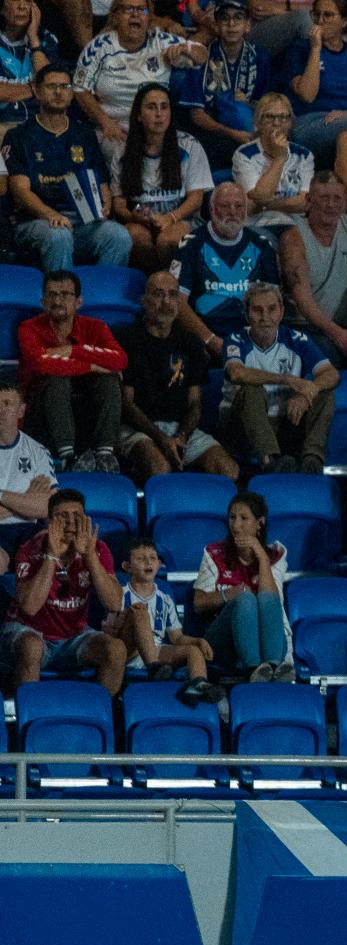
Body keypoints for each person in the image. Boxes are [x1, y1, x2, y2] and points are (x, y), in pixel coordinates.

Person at [4, 64, 133, 272]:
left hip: (83, 221)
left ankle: (98, 299)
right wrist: (50, 215)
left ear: (72, 93)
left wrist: (105, 206)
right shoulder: (19, 136)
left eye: (64, 86)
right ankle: (61, 299)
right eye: (51, 86)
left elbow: (100, 182)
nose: (58, 92)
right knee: (59, 235)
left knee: (118, 235)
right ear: (37, 91)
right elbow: (20, 191)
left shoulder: (84, 133)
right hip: (36, 221)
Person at [115, 269, 238, 483]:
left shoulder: (191, 342)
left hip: (181, 429)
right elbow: (127, 404)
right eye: (158, 294)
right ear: (144, 301)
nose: (166, 301)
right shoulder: (127, 339)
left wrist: (181, 437)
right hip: (138, 429)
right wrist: (162, 439)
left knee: (229, 471)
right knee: (160, 470)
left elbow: (195, 403)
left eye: (173, 295)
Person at [0, 486, 124, 693]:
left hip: (74, 636)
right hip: (29, 631)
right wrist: (51, 556)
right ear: (49, 522)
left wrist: (90, 557)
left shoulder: (98, 549)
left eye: (77, 516)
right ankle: (29, 717)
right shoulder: (30, 548)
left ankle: (98, 716)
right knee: (32, 647)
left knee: (116, 650)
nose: (70, 522)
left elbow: (114, 603)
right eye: (62, 516)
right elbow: (30, 608)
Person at [17, 268, 128, 472]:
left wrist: (72, 350)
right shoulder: (28, 328)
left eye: (65, 294)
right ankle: (67, 457)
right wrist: (92, 365)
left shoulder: (95, 327)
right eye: (52, 294)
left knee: (109, 379)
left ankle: (105, 455)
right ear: (43, 301)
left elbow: (120, 360)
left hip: (85, 414)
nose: (58, 300)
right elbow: (41, 364)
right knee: (56, 378)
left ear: (79, 302)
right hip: (41, 417)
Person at [218, 282, 336, 474]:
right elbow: (237, 373)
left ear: (281, 312)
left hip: (284, 423)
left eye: (272, 309)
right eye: (257, 310)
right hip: (241, 428)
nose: (265, 317)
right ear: (247, 314)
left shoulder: (296, 339)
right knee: (251, 389)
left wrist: (307, 394)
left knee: (324, 393)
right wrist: (287, 379)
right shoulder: (235, 340)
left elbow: (331, 374)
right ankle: (269, 462)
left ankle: (312, 461)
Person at [73, 0, 204, 142]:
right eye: (128, 9)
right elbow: (79, 89)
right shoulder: (98, 46)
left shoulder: (161, 40)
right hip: (116, 130)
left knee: (194, 148)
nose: (135, 14)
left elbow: (202, 55)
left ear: (149, 17)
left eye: (141, 9)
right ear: (116, 16)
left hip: (156, 129)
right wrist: (105, 123)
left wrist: (185, 49)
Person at [279, 169, 347, 369]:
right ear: (309, 199)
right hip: (306, 325)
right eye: (323, 198)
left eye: (337, 198)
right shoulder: (293, 236)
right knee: (328, 357)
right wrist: (338, 335)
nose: (331, 205)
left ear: (345, 201)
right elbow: (302, 299)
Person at [190, 488, 291, 679]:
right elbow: (198, 603)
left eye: (244, 518)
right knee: (245, 599)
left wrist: (261, 557)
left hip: (269, 641)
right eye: (232, 517)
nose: (236, 525)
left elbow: (273, 602)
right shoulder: (214, 554)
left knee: (267, 599)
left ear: (259, 523)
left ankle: (272, 667)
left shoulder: (274, 556)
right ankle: (253, 669)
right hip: (223, 641)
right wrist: (228, 595)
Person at [173, 181, 281, 357]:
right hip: (205, 340)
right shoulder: (192, 245)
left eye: (238, 206)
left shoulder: (262, 245)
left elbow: (274, 304)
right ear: (212, 209)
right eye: (225, 206)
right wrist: (210, 340)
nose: (232, 212)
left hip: (252, 339)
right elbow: (178, 302)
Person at [107, 81, 208, 270]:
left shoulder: (190, 146)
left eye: (164, 107)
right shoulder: (122, 151)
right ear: (138, 115)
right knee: (136, 237)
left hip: (180, 219)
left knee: (167, 240)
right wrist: (133, 215)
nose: (159, 114)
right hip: (141, 222)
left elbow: (196, 199)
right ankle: (154, 284)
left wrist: (170, 218)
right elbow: (118, 204)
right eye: (151, 107)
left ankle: (172, 286)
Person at [110, 536, 215, 700]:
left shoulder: (164, 598)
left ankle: (198, 687)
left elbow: (177, 637)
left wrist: (197, 641)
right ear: (127, 567)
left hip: (158, 651)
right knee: (139, 614)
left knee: (193, 652)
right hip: (130, 651)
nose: (148, 562)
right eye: (140, 558)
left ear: (159, 564)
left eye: (153, 558)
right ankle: (154, 669)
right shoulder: (120, 594)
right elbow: (112, 630)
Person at [174, 0, 267, 170]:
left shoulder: (259, 57)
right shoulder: (202, 56)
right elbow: (197, 115)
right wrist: (232, 133)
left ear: (248, 25)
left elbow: (265, 103)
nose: (231, 24)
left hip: (249, 125)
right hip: (213, 129)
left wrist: (247, 104)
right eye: (224, 19)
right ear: (216, 26)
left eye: (238, 18)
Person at [279, 0, 347, 158]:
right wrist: (315, 48)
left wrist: (346, 115)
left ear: (344, 21)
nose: (320, 21)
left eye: (328, 15)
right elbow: (307, 95)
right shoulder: (299, 49)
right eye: (316, 14)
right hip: (310, 123)